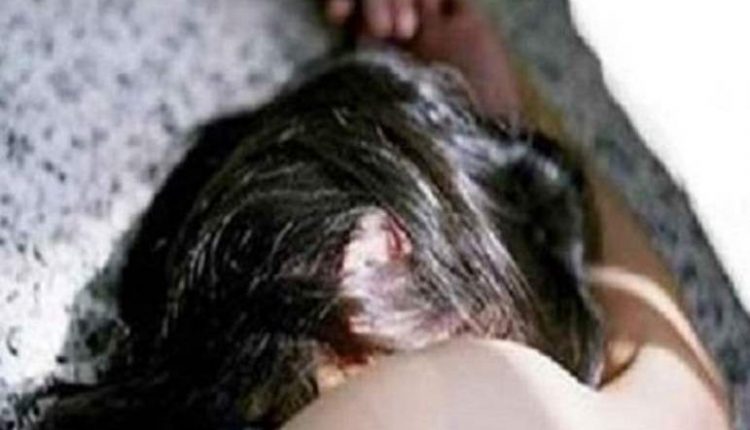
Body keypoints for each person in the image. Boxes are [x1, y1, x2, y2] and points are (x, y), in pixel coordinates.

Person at [27, 1, 729, 429]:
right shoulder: (472, 390)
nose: (555, 388)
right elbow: (686, 403)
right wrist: (519, 114)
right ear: (375, 253)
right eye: (533, 354)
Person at [283, 0, 731, 429]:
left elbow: (681, 401)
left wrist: (512, 129)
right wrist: (514, 122)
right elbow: (684, 402)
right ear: (374, 258)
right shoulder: (454, 390)